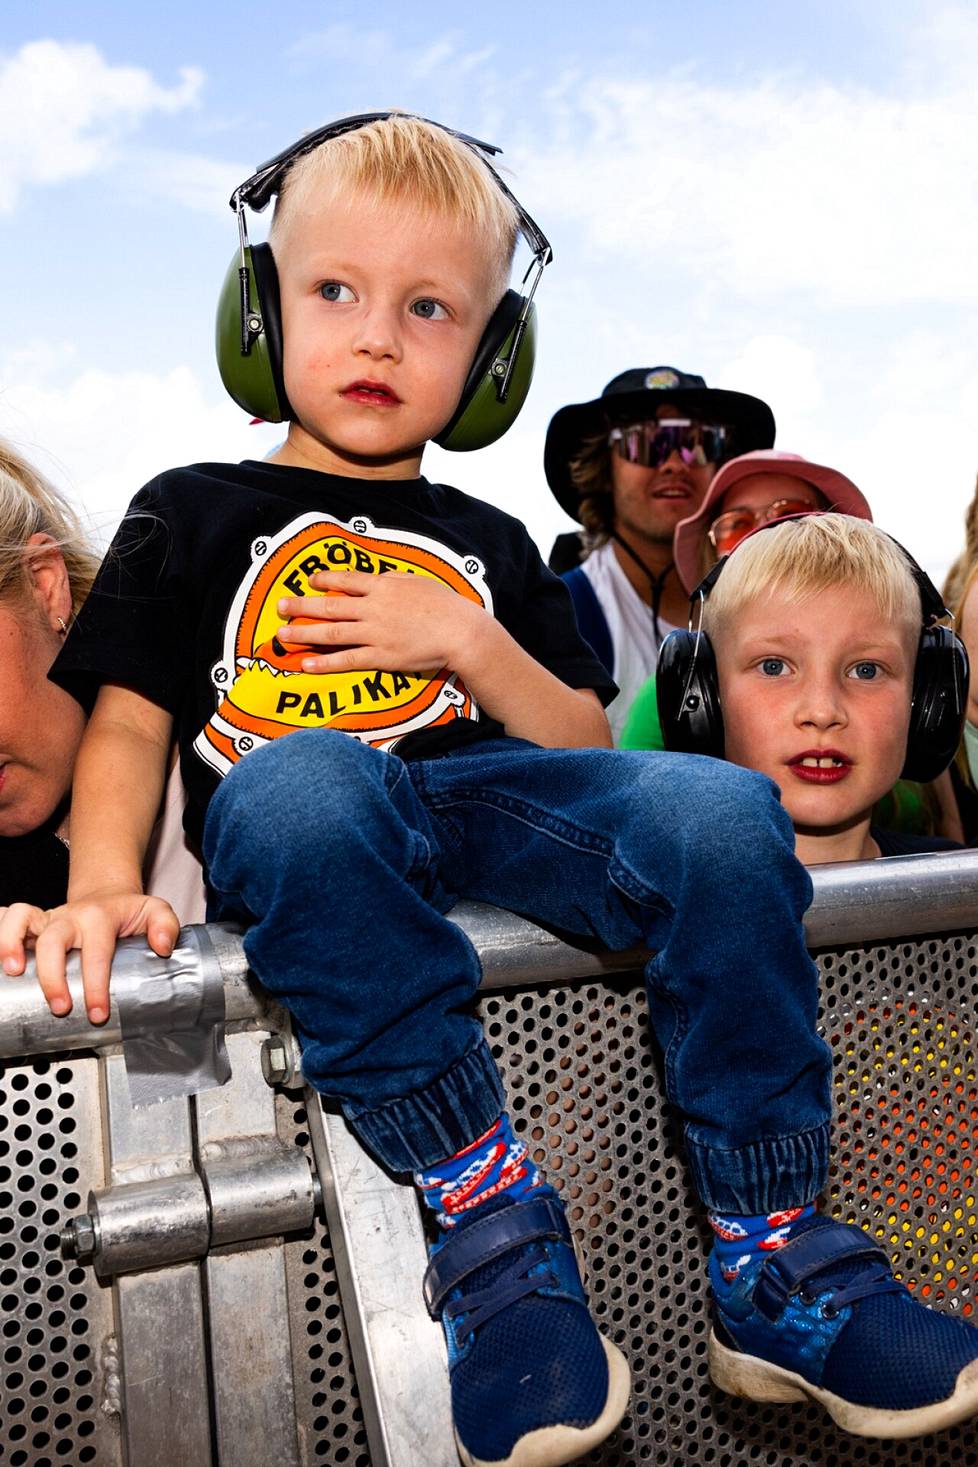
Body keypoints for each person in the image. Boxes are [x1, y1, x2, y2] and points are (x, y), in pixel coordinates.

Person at [4, 113, 978, 1458]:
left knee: (714, 808)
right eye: (333, 290)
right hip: (314, 824)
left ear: (488, 359)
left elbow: (580, 735)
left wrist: (464, 637)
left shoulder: (494, 539)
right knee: (299, 789)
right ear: (258, 310)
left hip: (493, 797)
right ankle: (486, 1213)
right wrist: (104, 882)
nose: (377, 335)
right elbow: (126, 718)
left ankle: (768, 1246)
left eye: (429, 307)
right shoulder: (192, 503)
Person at [659, 512, 964, 862]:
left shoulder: (957, 890)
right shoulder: (652, 909)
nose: (822, 711)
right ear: (705, 693)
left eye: (866, 670)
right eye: (773, 667)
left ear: (926, 699)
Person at [543, 368, 775, 742]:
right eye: (645, 444)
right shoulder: (560, 617)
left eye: (697, 443)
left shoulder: (769, 606)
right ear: (604, 470)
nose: (674, 464)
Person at [623, 451, 873, 751]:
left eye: (789, 516)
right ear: (711, 559)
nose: (759, 536)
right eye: (736, 525)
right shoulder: (666, 697)